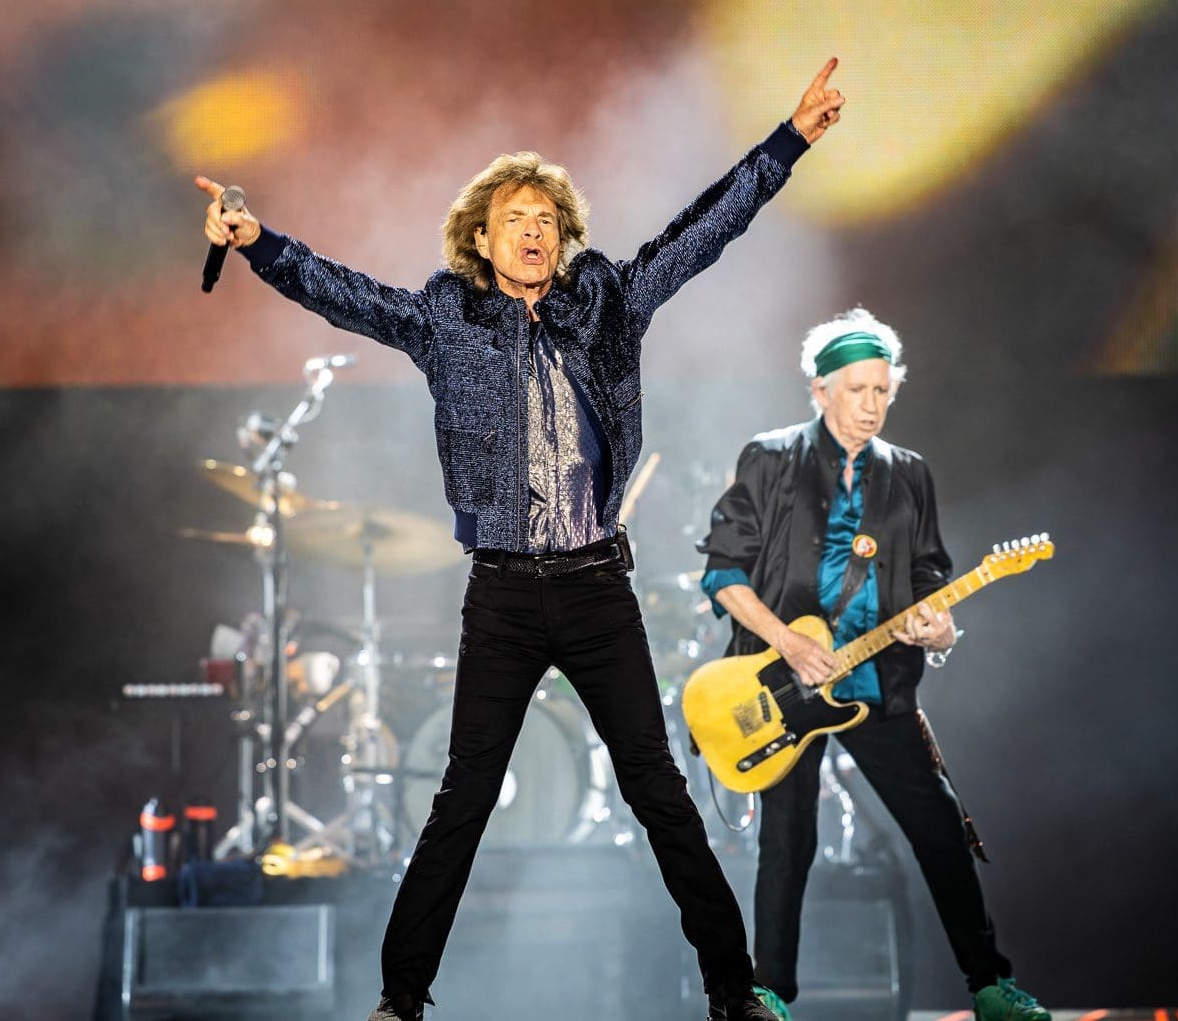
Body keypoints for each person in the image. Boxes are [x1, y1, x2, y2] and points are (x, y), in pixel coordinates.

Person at [196, 59, 845, 1021]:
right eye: (515, 219)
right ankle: (401, 999)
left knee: (659, 789)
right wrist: (258, 243)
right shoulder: (447, 318)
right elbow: (344, 292)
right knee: (462, 799)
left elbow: (705, 230)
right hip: (501, 593)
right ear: (482, 238)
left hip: (596, 587)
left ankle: (731, 989)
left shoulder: (610, 302)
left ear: (563, 236)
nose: (533, 232)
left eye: (546, 219)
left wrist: (788, 142)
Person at [695, 308, 1051, 1021]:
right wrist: (787, 642)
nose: (871, 406)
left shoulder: (908, 474)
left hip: (875, 683)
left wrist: (940, 631)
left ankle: (989, 987)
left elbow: (929, 578)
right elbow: (723, 573)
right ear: (820, 390)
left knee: (939, 827)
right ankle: (769, 995)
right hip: (781, 681)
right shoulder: (770, 457)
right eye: (856, 390)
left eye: (882, 391)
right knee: (787, 841)